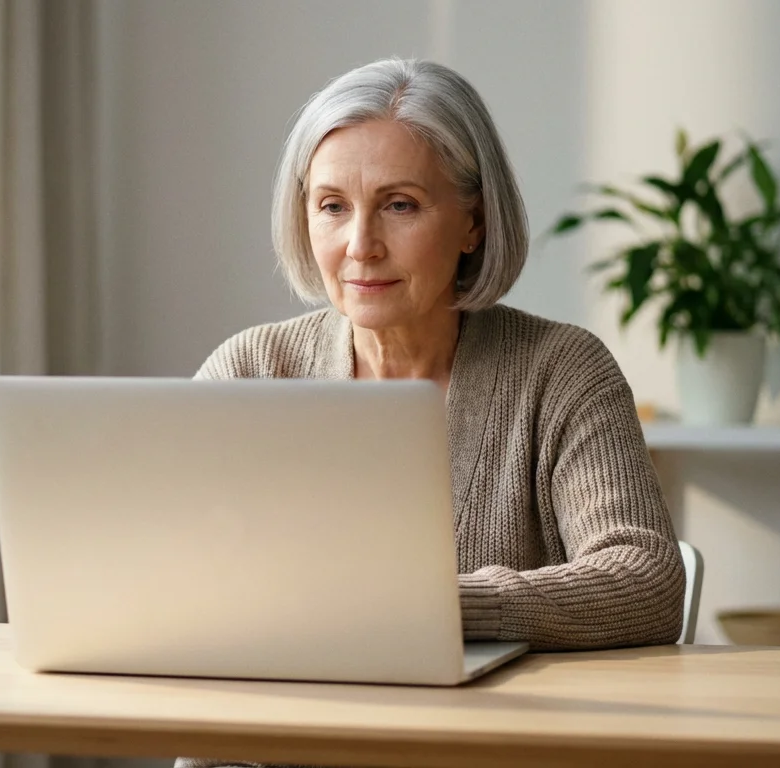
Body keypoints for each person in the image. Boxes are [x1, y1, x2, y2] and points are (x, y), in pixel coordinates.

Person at [176, 58, 684, 768]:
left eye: (400, 204)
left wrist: (436, 608)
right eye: (331, 206)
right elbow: (169, 574)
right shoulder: (251, 371)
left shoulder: (562, 369)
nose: (360, 245)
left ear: (473, 223)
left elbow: (646, 577)